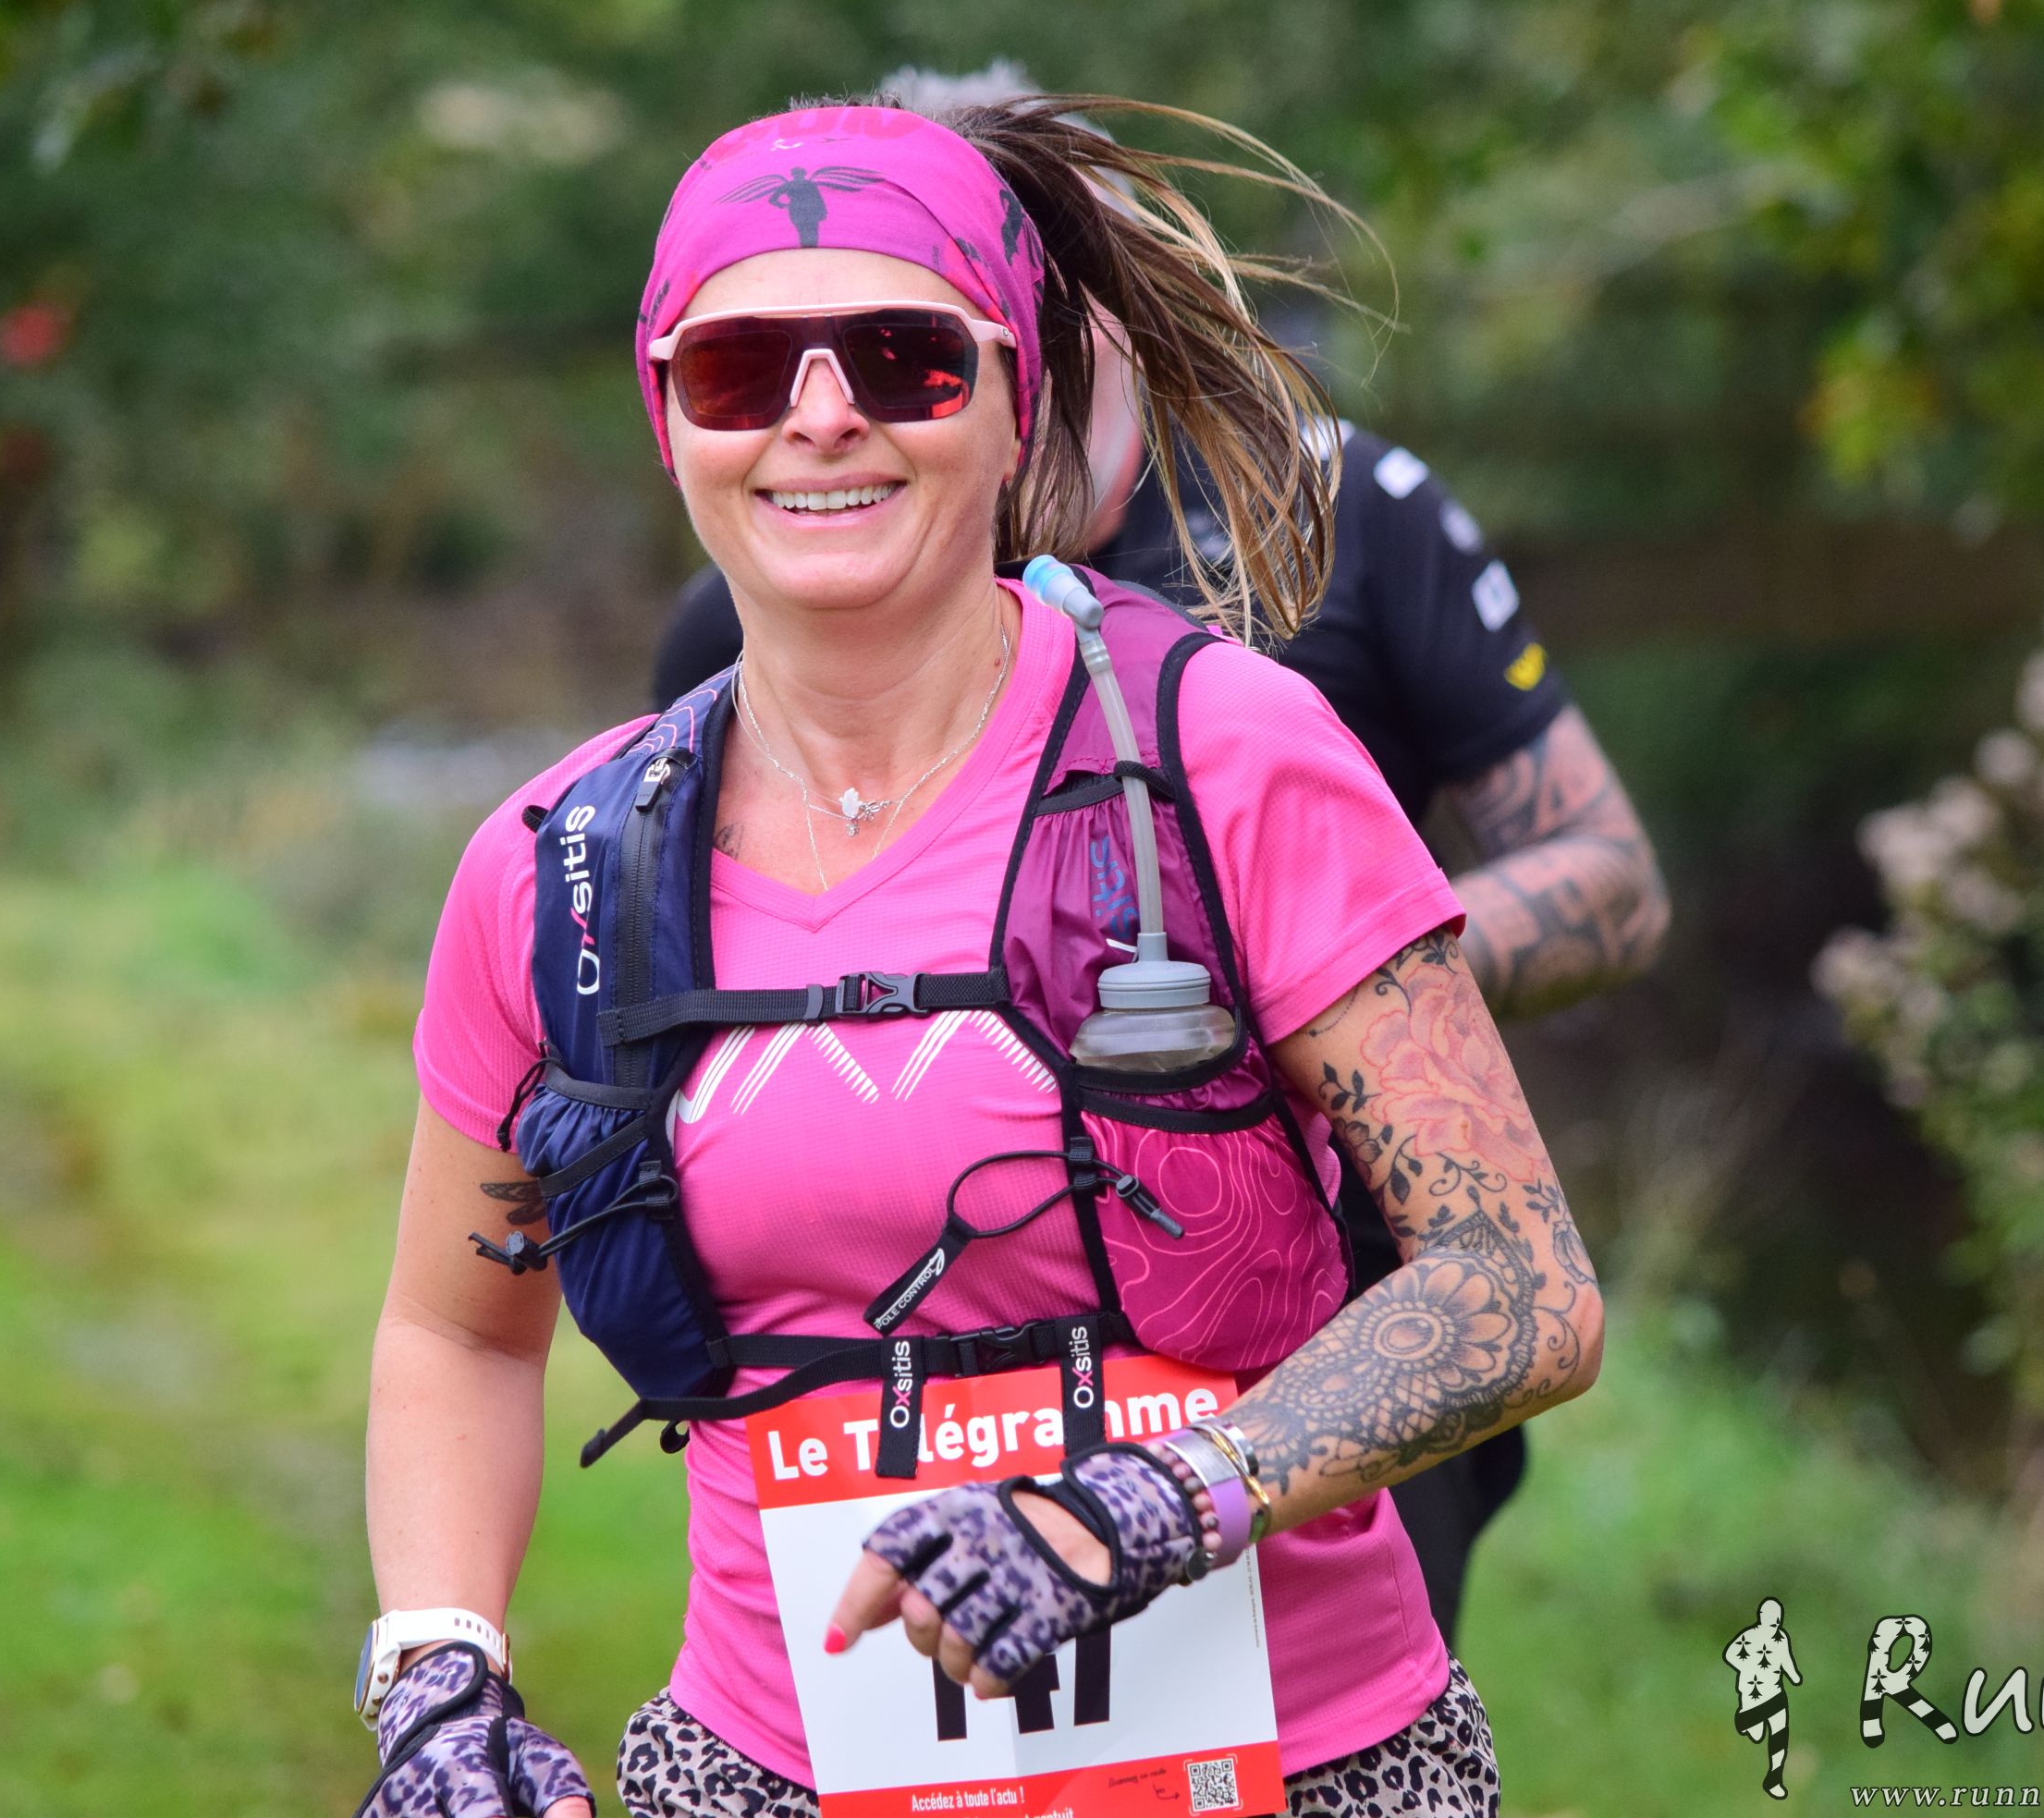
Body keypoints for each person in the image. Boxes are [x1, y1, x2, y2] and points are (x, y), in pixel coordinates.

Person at [363, 92, 1603, 1818]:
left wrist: (1146, 1506)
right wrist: (439, 1679)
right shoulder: (560, 867)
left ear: (1017, 395)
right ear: (668, 419)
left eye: (904, 359)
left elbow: (1519, 1286)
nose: (820, 417)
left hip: (1297, 1769)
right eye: (740, 369)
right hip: (773, 1776)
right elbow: (460, 1336)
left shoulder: (1229, 754)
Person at [649, 75, 1670, 1647]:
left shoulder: (1336, 509)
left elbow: (1608, 874)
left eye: (919, 346)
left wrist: (1321, 991)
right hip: (900, 1361)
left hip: (1337, 1314)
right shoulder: (773, 587)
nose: (849, 398)